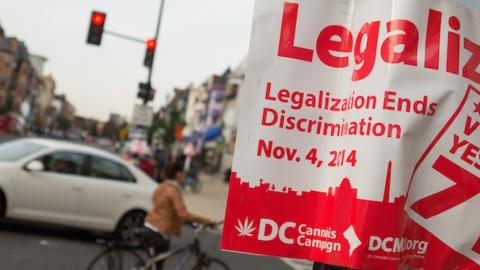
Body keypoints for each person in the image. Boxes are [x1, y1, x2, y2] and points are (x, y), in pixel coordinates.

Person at [143, 160, 214, 270]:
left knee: (154, 264)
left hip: (150, 224)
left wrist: (181, 221)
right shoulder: (174, 191)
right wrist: (206, 220)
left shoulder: (161, 186)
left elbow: (163, 208)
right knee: (157, 266)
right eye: (183, 173)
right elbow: (183, 213)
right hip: (160, 231)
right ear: (178, 174)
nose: (184, 176)